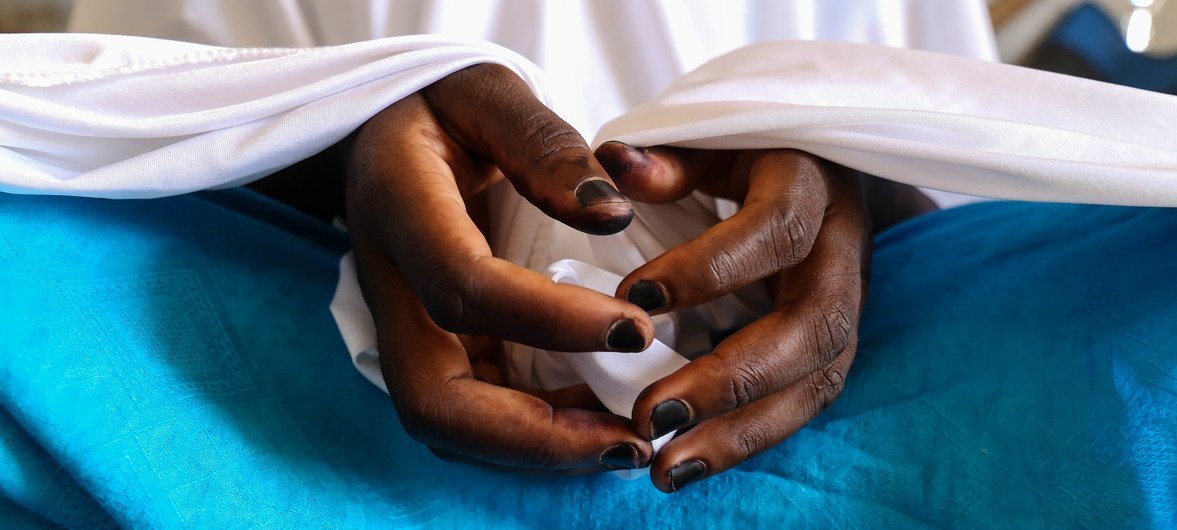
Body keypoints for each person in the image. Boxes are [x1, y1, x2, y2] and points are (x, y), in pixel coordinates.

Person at [1, 1, 1174, 526]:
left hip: (857, 378)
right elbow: (141, 134)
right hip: (340, 356)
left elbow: (959, 181)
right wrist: (341, 139)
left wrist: (850, 174)